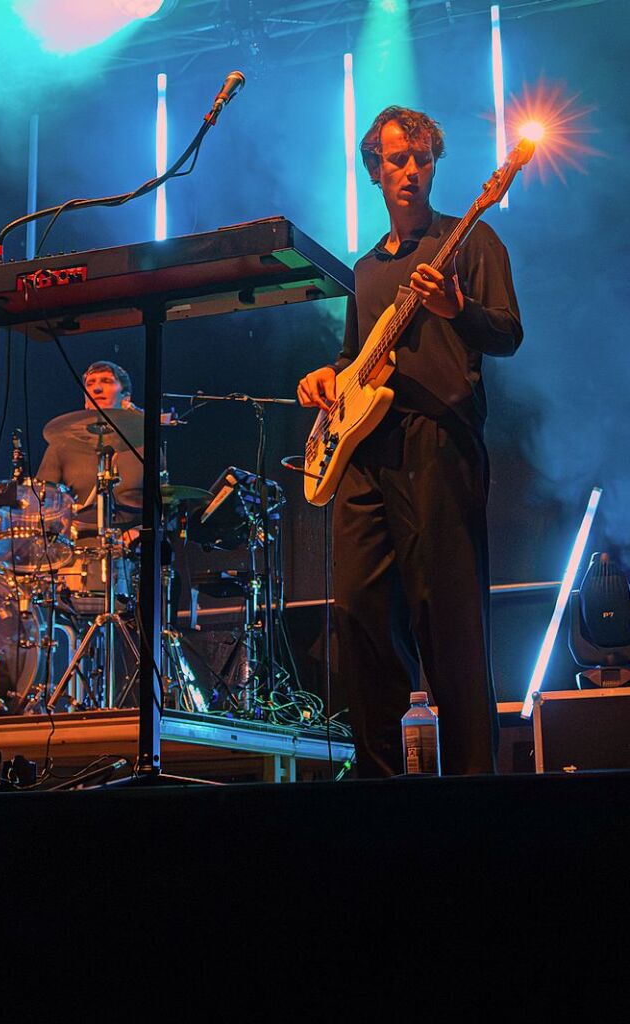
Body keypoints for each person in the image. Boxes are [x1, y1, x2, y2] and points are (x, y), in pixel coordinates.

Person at [297, 106, 523, 776]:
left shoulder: (471, 240)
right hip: (366, 454)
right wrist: (325, 380)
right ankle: (376, 780)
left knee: (448, 624)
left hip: (438, 446)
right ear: (374, 169)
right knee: (358, 612)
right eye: (395, 158)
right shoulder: (364, 270)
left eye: (420, 157)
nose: (409, 170)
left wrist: (459, 310)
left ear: (433, 164)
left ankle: (471, 787)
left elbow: (507, 334)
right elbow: (352, 359)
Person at [37, 360, 143, 527]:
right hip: (77, 543)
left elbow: (164, 502)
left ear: (126, 398)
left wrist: (139, 532)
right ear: (86, 400)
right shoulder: (62, 444)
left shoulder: (144, 444)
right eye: (90, 384)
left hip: (131, 542)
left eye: (107, 381)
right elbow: (42, 499)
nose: (97, 388)